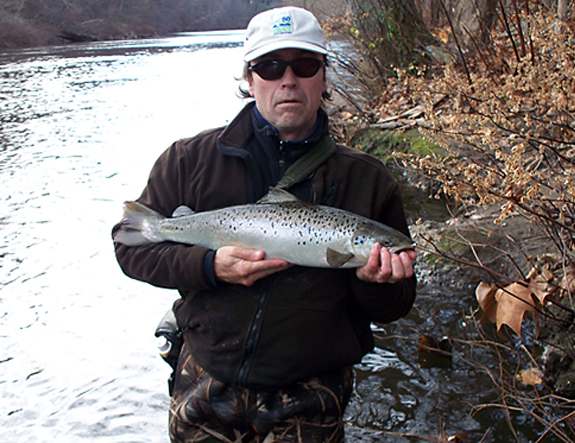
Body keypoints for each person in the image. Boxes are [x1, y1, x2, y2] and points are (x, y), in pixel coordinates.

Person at [112, 6, 417, 443]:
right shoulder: (188, 160)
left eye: (305, 65)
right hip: (203, 383)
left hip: (311, 398)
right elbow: (131, 247)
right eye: (271, 67)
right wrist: (208, 267)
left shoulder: (369, 181)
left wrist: (375, 280)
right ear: (249, 79)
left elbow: (396, 306)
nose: (288, 80)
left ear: (324, 78)